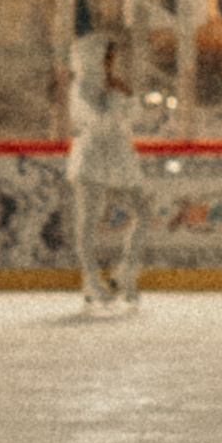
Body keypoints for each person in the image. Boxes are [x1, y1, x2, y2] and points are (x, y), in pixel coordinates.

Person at [67, 29, 145, 312]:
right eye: (106, 58)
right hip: (91, 159)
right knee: (88, 222)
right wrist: (117, 101)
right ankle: (91, 281)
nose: (110, 63)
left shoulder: (113, 85)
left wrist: (128, 95)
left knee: (143, 213)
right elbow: (98, 123)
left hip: (119, 158)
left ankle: (125, 272)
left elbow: (135, 117)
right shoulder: (80, 89)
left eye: (112, 58)